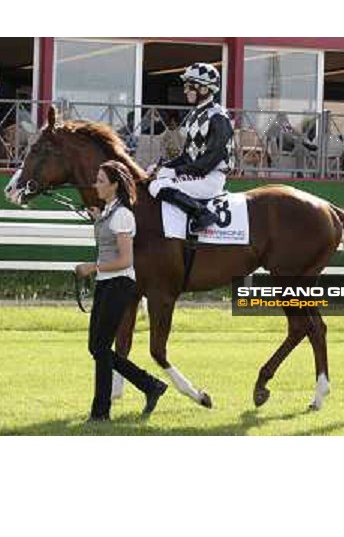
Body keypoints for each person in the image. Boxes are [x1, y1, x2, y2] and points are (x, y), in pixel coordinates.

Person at [75, 160, 168, 422]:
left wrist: (91, 267)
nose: (96, 184)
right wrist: (98, 218)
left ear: (115, 186)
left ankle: (101, 412)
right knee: (97, 347)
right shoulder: (110, 212)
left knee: (101, 347)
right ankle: (150, 385)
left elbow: (126, 260)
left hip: (119, 282)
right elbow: (110, 237)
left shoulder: (123, 215)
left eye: (101, 181)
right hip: (107, 282)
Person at [148, 62, 234, 233]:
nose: (185, 91)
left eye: (189, 86)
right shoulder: (195, 115)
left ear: (203, 89)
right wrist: (163, 167)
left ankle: (202, 215)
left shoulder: (219, 117)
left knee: (157, 187)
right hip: (199, 175)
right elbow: (187, 156)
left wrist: (175, 172)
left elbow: (210, 160)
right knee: (155, 181)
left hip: (210, 178)